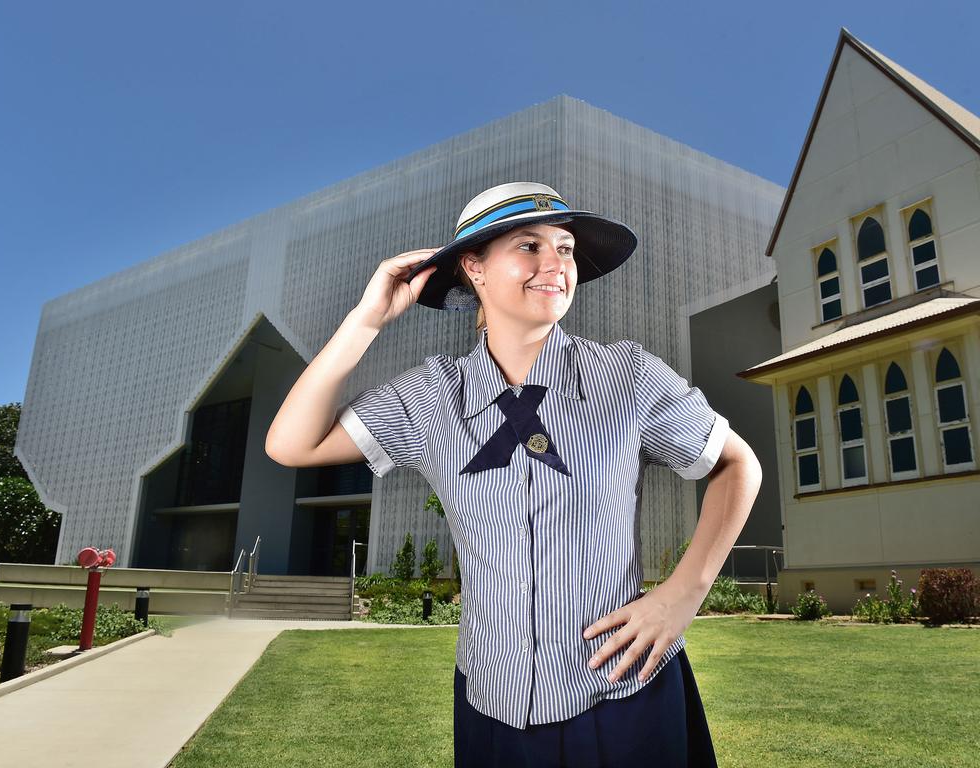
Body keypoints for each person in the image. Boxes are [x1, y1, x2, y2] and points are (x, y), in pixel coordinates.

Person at [265, 182, 762, 767]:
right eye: (529, 246)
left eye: (566, 248)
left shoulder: (626, 377)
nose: (555, 265)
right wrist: (367, 319)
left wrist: (683, 594)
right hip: (490, 710)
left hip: (622, 699)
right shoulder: (432, 398)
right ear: (473, 268)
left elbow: (737, 463)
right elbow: (290, 445)